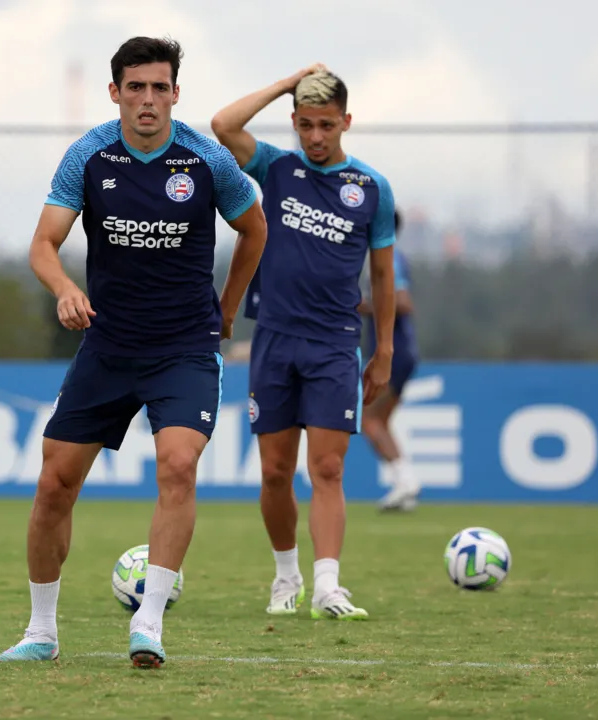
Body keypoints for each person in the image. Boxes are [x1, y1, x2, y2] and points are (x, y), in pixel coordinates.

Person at [0, 36, 267, 668]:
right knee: (53, 484)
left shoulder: (208, 160)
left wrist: (228, 310)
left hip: (184, 347)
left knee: (177, 465)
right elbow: (43, 244)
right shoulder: (89, 155)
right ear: (115, 92)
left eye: (160, 87)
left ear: (176, 93)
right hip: (109, 345)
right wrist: (64, 287)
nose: (148, 99)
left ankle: (149, 623)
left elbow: (253, 229)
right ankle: (42, 631)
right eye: (136, 87)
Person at [212, 66, 396, 620]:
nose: (316, 137)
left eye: (327, 125)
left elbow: (383, 277)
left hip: (336, 344)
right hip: (273, 338)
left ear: (346, 122)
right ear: (293, 121)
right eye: (307, 125)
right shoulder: (276, 166)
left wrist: (383, 349)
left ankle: (327, 586)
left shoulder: (371, 188)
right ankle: (286, 574)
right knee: (273, 471)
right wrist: (286, 81)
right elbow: (224, 124)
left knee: (329, 470)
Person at [359, 209, 422, 511]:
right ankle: (404, 486)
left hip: (394, 352)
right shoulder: (385, 257)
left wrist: (361, 306)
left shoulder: (388, 257)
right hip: (403, 351)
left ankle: (406, 481)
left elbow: (404, 302)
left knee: (369, 419)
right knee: (380, 421)